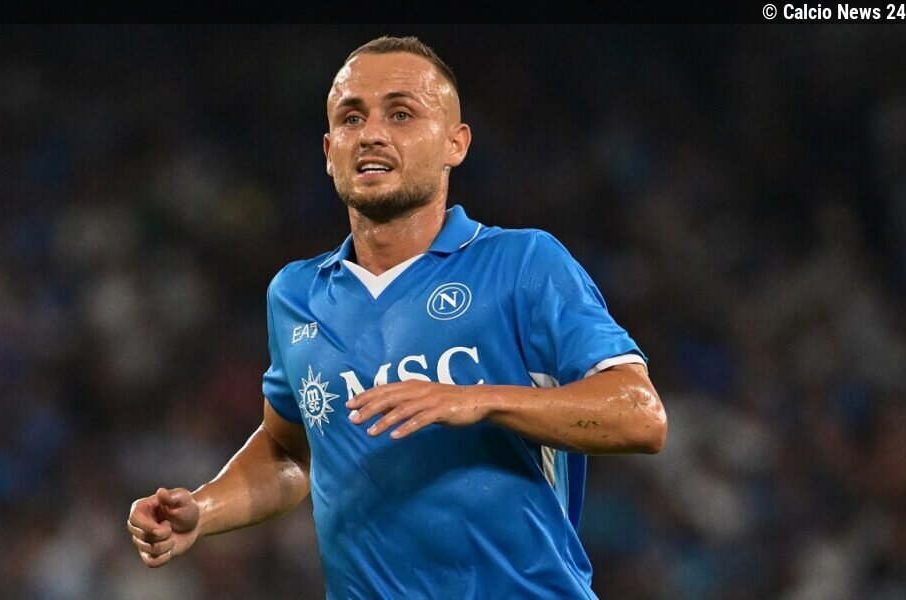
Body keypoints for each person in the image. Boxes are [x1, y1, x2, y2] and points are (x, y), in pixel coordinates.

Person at [127, 35, 667, 599]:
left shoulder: (522, 264)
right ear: (329, 150)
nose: (372, 134)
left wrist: (480, 399)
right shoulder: (296, 296)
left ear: (455, 143)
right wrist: (204, 509)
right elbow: (288, 451)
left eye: (401, 114)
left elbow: (641, 417)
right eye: (351, 118)